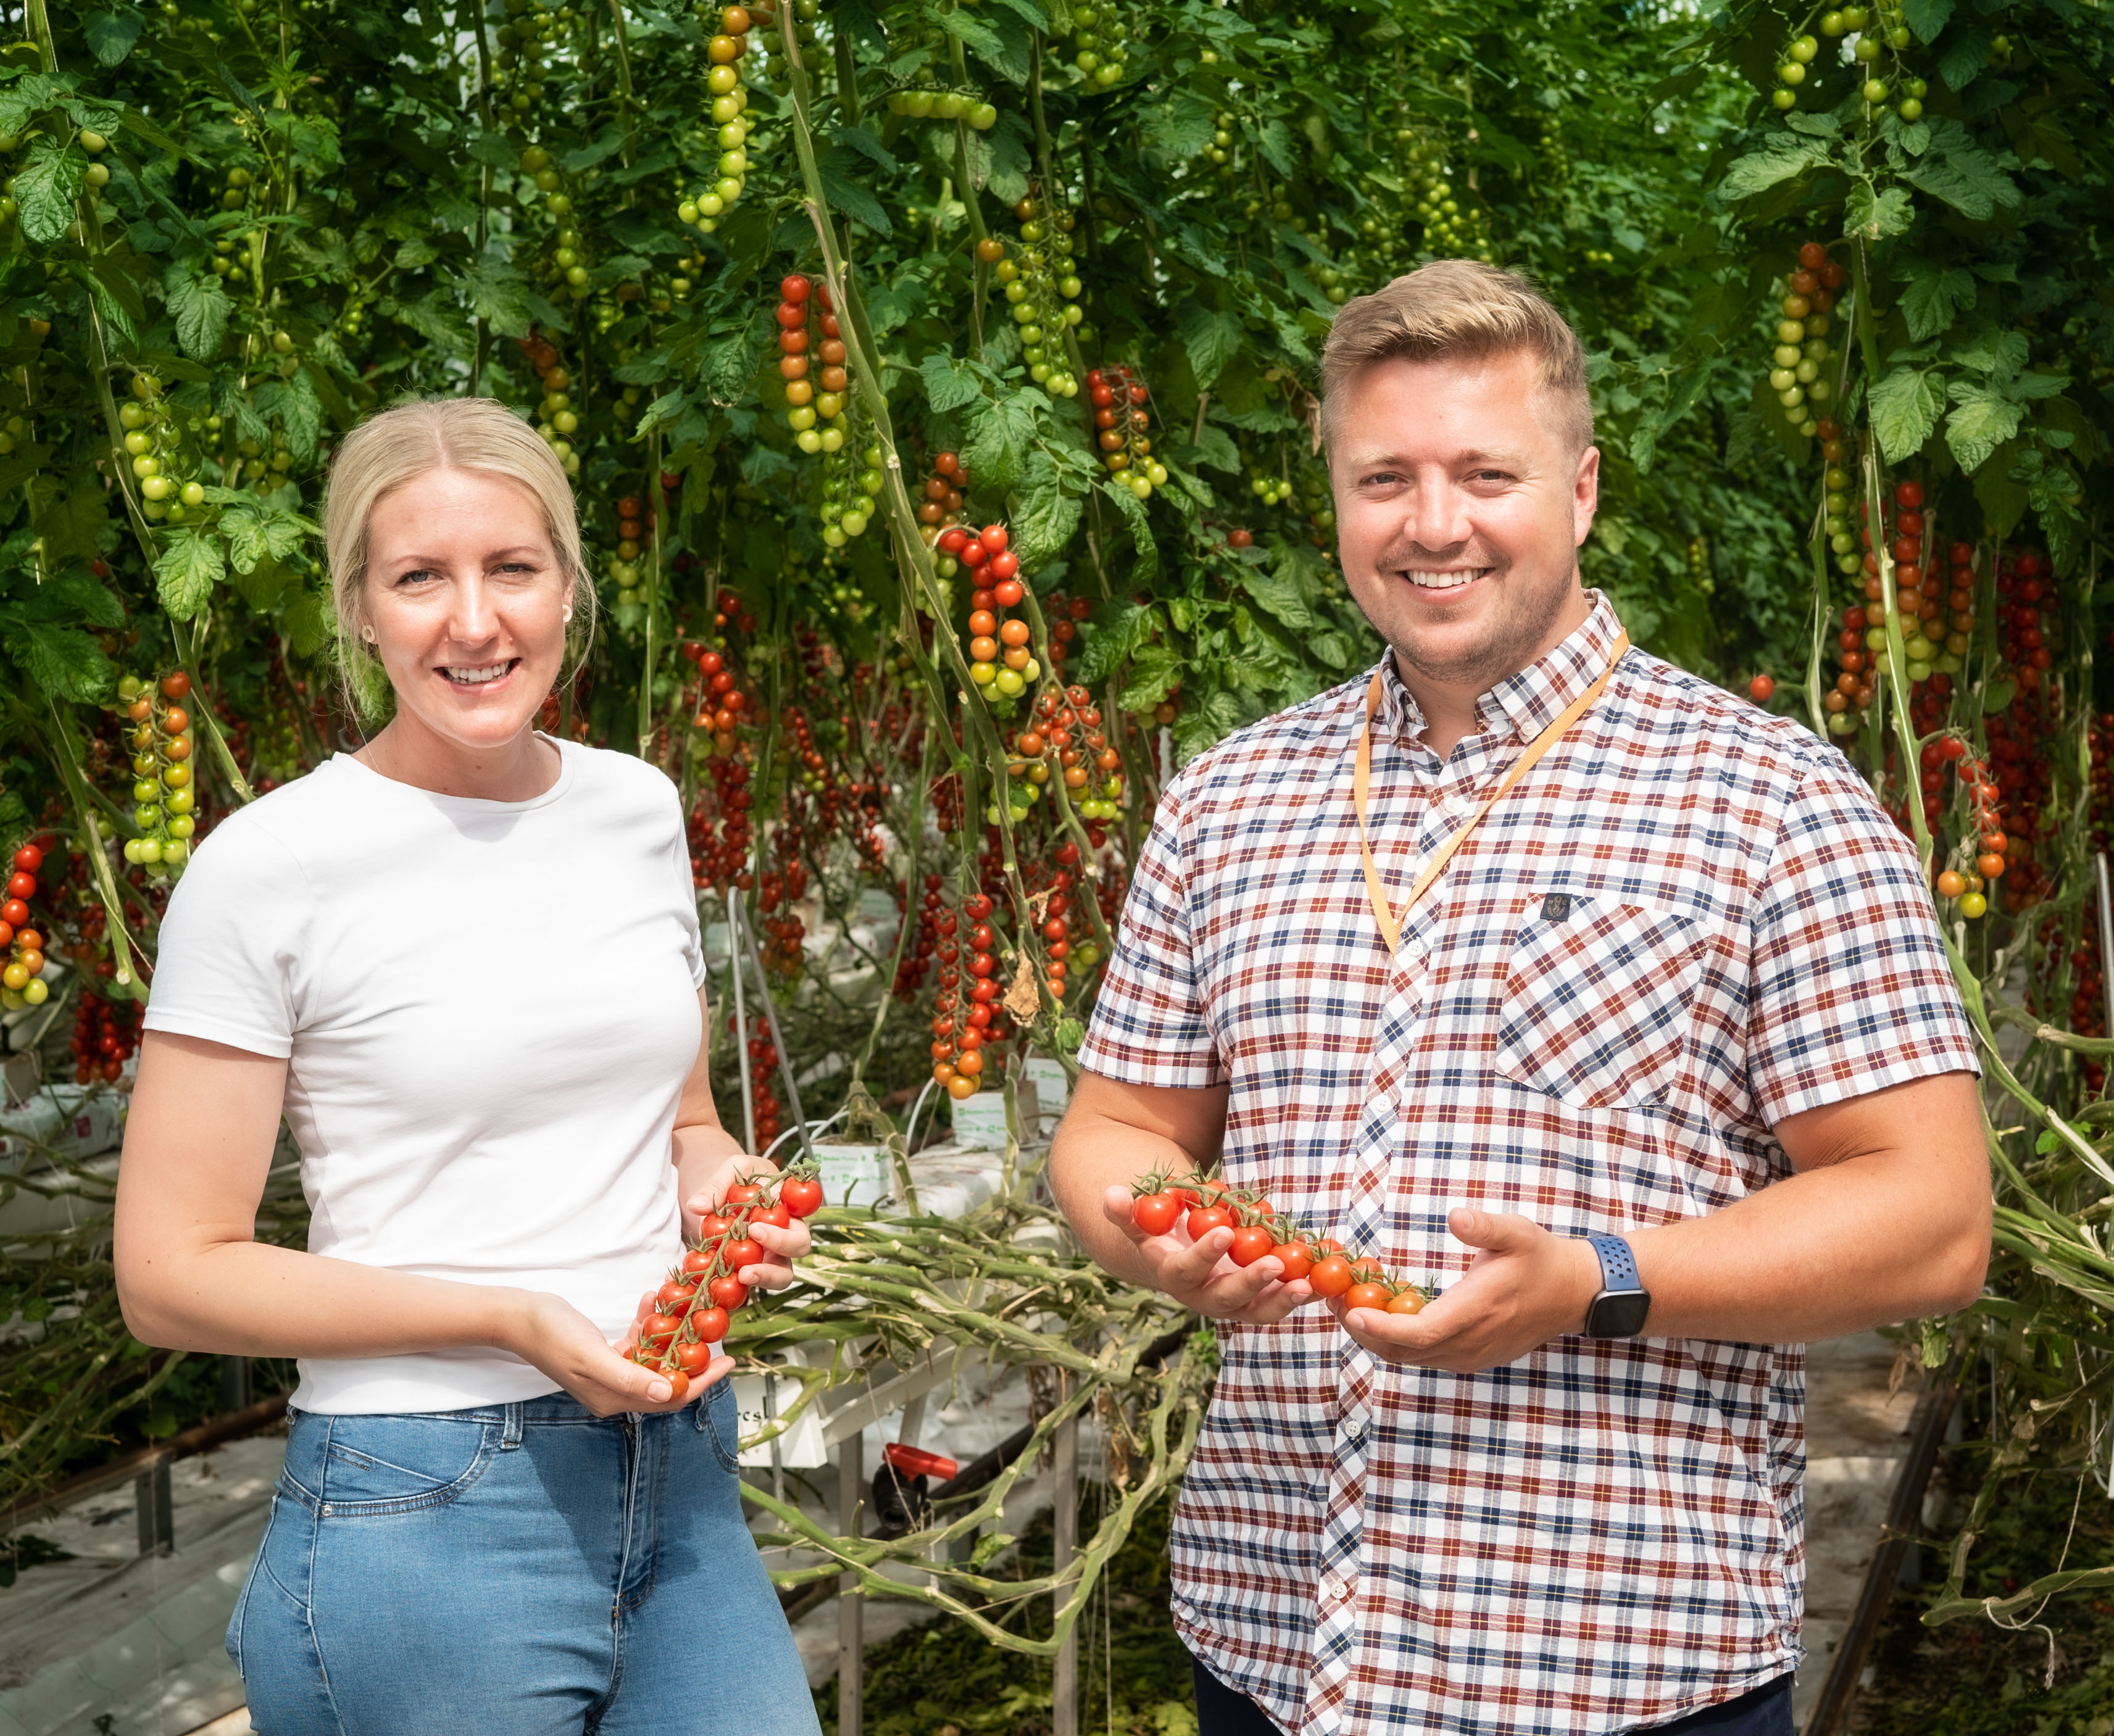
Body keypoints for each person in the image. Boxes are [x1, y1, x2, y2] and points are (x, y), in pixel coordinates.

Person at [1048, 262, 1990, 1736]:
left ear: (1584, 486)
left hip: (1607, 1667)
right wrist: (1166, 1242)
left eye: (1488, 473)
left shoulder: (1767, 799)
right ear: (1338, 498)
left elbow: (1931, 1217)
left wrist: (1599, 1284)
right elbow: (1113, 1128)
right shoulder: (1232, 798)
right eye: (1386, 478)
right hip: (1270, 1648)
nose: (1435, 524)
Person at [115, 397, 821, 1736]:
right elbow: (168, 1273)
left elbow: (678, 1124)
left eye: (512, 568)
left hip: (677, 1475)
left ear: (570, 585)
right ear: (361, 610)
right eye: (420, 579)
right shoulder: (271, 867)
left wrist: (731, 1193)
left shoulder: (635, 809)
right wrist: (510, 1316)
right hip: (426, 1497)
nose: (475, 622)